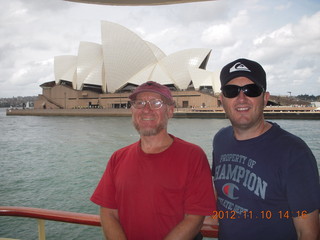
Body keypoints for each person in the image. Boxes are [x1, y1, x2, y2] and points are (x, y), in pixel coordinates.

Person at [91, 81, 216, 240]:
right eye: (139, 103)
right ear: (132, 110)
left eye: (156, 103)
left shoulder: (193, 156)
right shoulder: (118, 157)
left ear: (170, 111)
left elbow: (195, 218)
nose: (146, 109)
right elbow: (108, 212)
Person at [212, 58, 320, 240]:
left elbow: (308, 231)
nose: (241, 98)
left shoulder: (294, 152)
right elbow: (219, 190)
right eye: (231, 91)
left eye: (251, 90)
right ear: (222, 100)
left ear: (265, 98)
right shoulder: (220, 139)